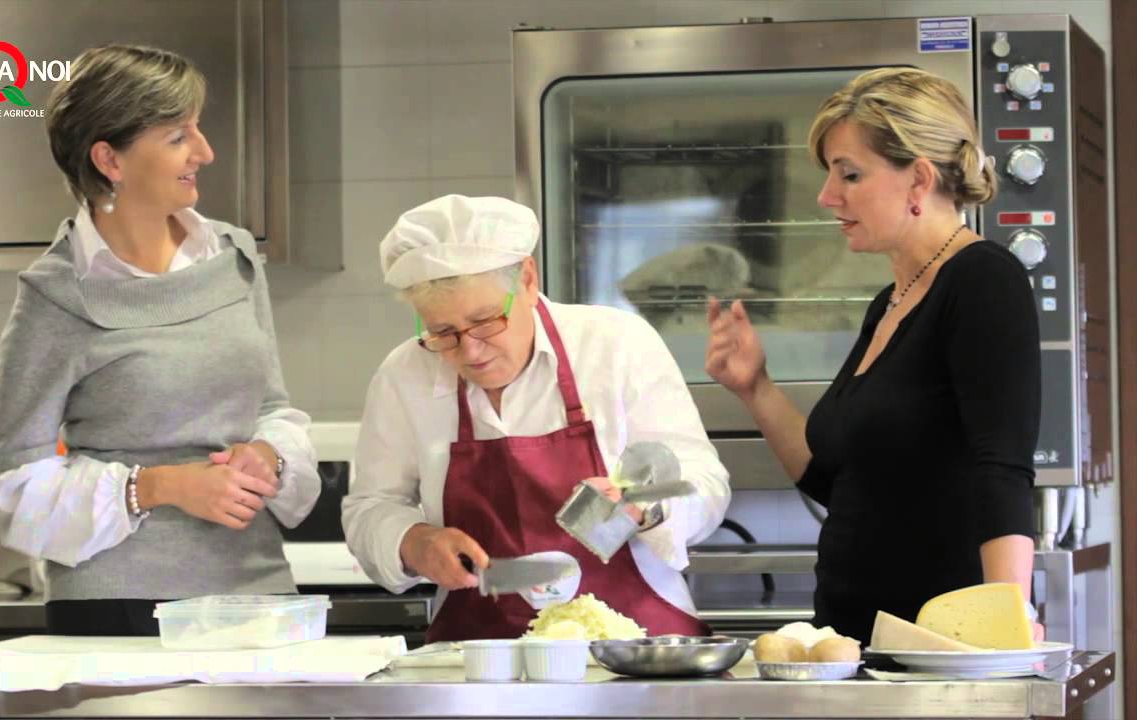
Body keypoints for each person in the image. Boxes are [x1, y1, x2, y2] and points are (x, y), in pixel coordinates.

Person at [0, 44, 321, 636]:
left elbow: (269, 407)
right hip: (116, 608)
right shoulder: (56, 296)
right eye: (176, 136)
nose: (205, 152)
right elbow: (12, 488)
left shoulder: (234, 257)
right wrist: (158, 487)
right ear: (109, 158)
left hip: (254, 595)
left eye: (198, 127)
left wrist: (267, 454)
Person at [705, 68, 1040, 643]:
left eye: (850, 175)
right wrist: (756, 387)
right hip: (852, 645)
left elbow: (1003, 468)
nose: (827, 196)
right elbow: (841, 485)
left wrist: (1005, 625)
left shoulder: (984, 280)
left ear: (919, 180)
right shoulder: (892, 301)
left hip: (938, 651)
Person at [341, 194, 731, 642]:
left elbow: (704, 482)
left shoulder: (616, 345)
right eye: (443, 332)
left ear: (527, 279)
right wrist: (414, 541)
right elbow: (370, 507)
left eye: (486, 321)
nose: (470, 350)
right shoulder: (404, 374)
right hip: (480, 655)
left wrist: (648, 506)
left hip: (633, 644)